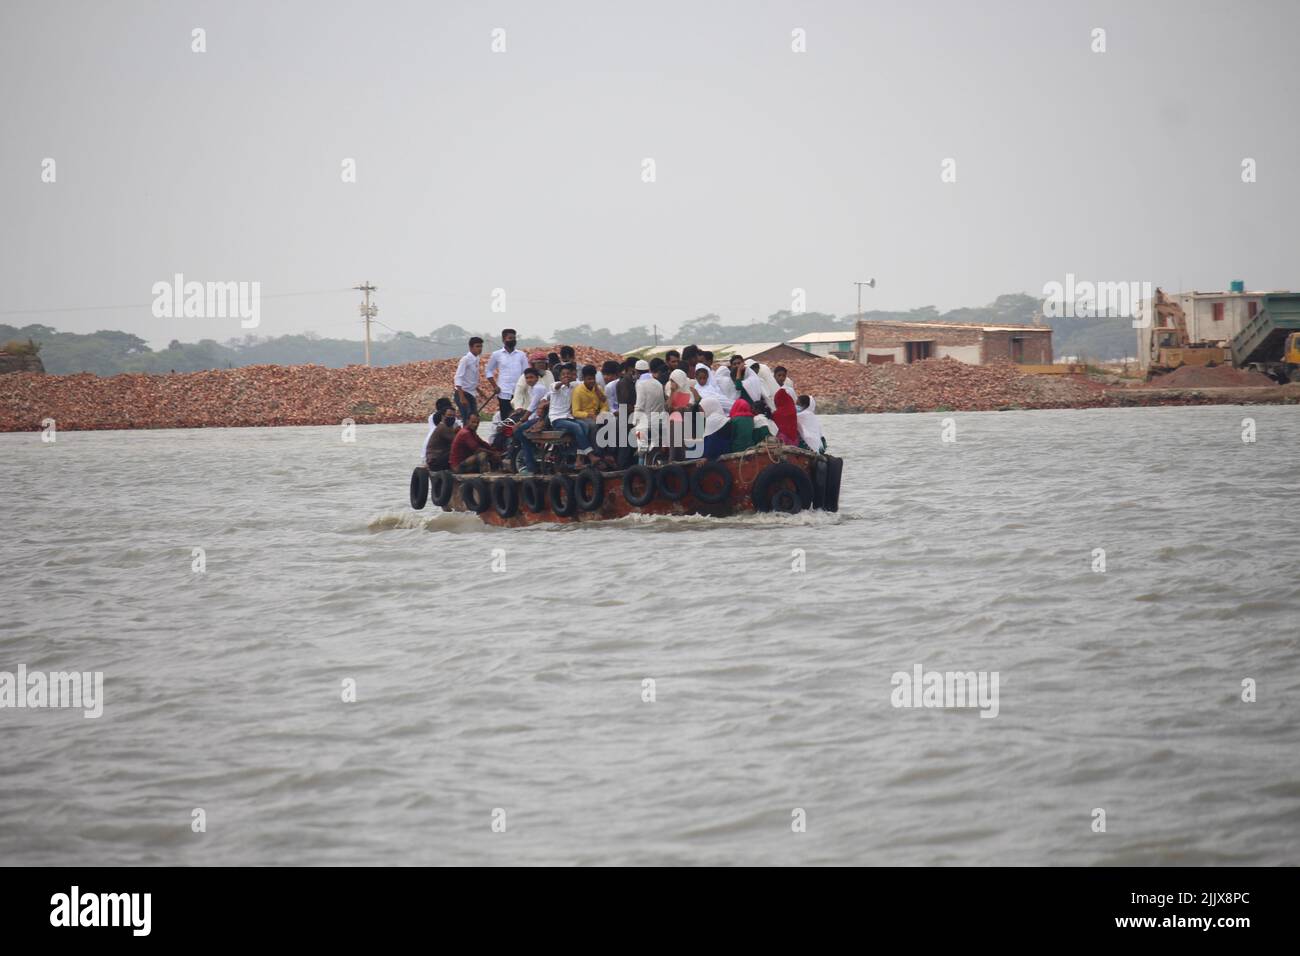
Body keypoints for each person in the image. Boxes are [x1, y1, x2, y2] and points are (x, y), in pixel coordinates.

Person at [546, 364, 595, 468]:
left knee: (585, 425)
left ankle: (579, 459)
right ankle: (590, 455)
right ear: (559, 377)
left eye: (568, 374)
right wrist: (561, 383)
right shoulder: (554, 385)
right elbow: (556, 387)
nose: (566, 376)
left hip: (568, 417)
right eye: (563, 374)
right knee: (577, 427)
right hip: (557, 419)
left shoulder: (574, 385)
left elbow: (587, 382)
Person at [484, 328, 529, 418]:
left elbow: (526, 372)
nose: (512, 340)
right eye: (510, 338)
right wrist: (494, 386)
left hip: (519, 391)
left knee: (519, 417)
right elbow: (488, 370)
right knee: (506, 418)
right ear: (504, 340)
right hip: (503, 392)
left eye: (514, 338)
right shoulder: (497, 354)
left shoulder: (521, 355)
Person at [572, 363, 610, 458]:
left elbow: (605, 405)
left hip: (597, 415)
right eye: (589, 379)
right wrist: (589, 415)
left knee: (612, 422)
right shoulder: (578, 391)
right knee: (593, 426)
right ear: (583, 379)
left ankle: (610, 453)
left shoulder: (598, 388)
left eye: (593, 378)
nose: (592, 381)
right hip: (583, 417)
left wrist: (601, 414)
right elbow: (575, 412)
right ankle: (597, 453)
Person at [634, 357, 667, 462]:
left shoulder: (640, 384)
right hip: (659, 419)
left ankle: (640, 462)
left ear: (636, 372)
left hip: (646, 422)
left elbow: (639, 405)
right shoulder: (657, 383)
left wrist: (635, 421)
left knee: (641, 443)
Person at [453, 337, 483, 423]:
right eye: (477, 346)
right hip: (463, 393)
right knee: (468, 419)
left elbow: (471, 377)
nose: (480, 349)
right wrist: (462, 397)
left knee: (475, 418)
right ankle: (464, 435)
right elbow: (458, 377)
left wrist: (479, 390)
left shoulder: (476, 359)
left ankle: (471, 435)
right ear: (471, 347)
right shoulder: (465, 360)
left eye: (481, 346)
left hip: (471, 393)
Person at [424, 406, 459, 471]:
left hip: (439, 457)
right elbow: (457, 442)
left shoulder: (449, 427)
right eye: (449, 415)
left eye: (453, 416)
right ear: (443, 416)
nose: (451, 418)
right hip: (435, 461)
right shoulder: (443, 428)